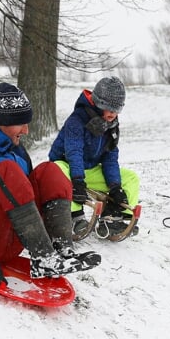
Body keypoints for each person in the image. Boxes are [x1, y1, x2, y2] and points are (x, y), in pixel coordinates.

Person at [0, 82, 100, 286]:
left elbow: (26, 198)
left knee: (50, 171)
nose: (27, 130)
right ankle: (45, 256)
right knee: (6, 171)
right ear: (3, 120)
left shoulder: (16, 150)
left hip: (12, 240)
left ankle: (58, 252)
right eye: (21, 123)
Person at [49, 76, 140, 238]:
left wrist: (115, 186)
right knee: (57, 169)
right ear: (99, 104)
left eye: (116, 109)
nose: (113, 113)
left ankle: (114, 216)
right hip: (68, 167)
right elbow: (74, 152)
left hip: (90, 169)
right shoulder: (77, 120)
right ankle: (75, 216)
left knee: (131, 178)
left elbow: (110, 158)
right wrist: (77, 180)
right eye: (109, 108)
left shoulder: (112, 126)